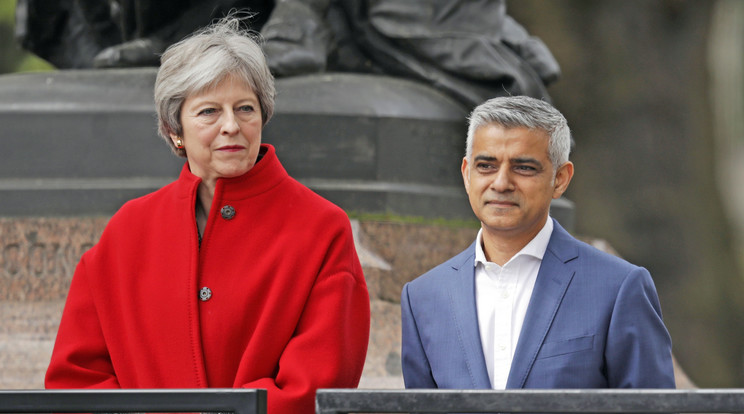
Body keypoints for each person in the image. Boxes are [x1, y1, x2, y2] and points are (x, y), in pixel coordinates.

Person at [45, 16, 370, 414]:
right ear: (174, 129)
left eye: (245, 108)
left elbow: (317, 382)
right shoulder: (127, 231)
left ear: (263, 116)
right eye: (209, 112)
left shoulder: (323, 228)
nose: (231, 126)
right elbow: (76, 378)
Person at [401, 96, 675, 389]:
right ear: (467, 174)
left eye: (524, 168)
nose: (501, 183)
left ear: (560, 179)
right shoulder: (422, 299)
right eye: (486, 166)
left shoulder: (619, 288)